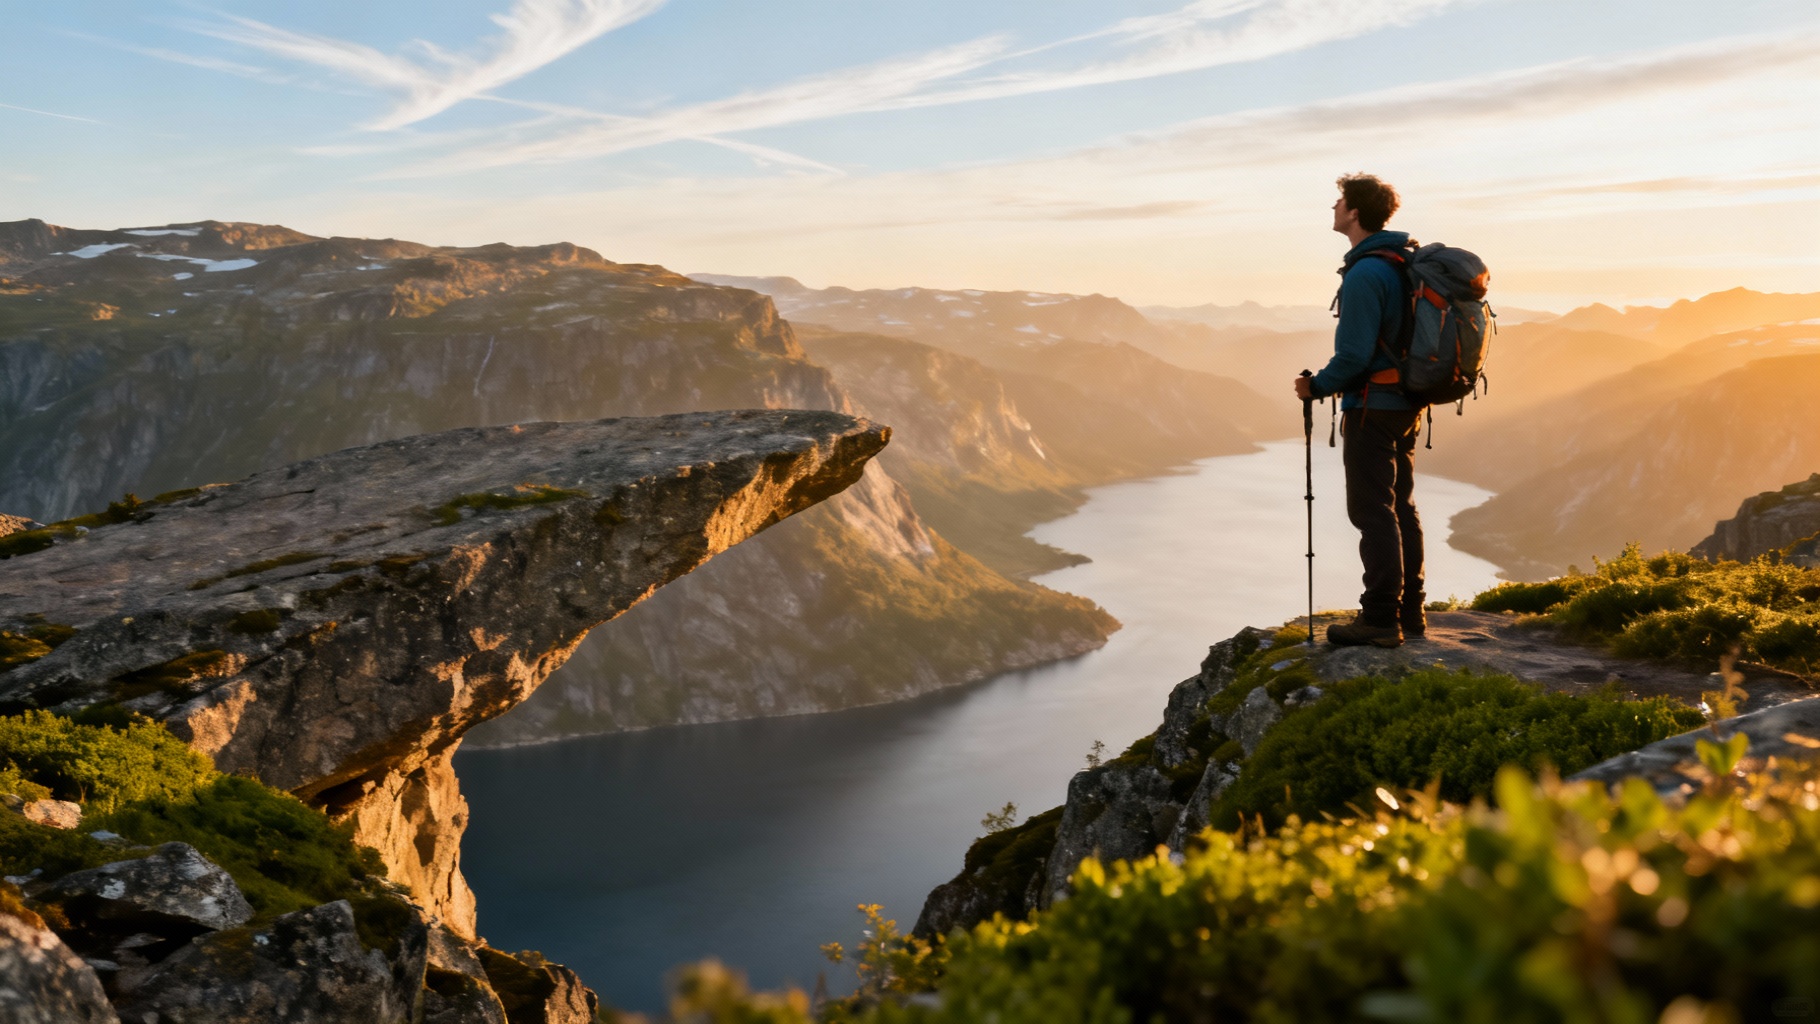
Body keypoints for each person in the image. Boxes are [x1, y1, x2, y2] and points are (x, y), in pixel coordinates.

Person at [1292, 173, 1424, 648]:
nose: (1333, 207)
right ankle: (1411, 611)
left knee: (1372, 511)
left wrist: (1315, 387)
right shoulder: (1399, 264)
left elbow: (1353, 356)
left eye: (1339, 201)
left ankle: (1381, 618)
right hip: (1405, 403)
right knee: (1400, 506)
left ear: (1354, 212)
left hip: (1372, 407)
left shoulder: (1367, 272)